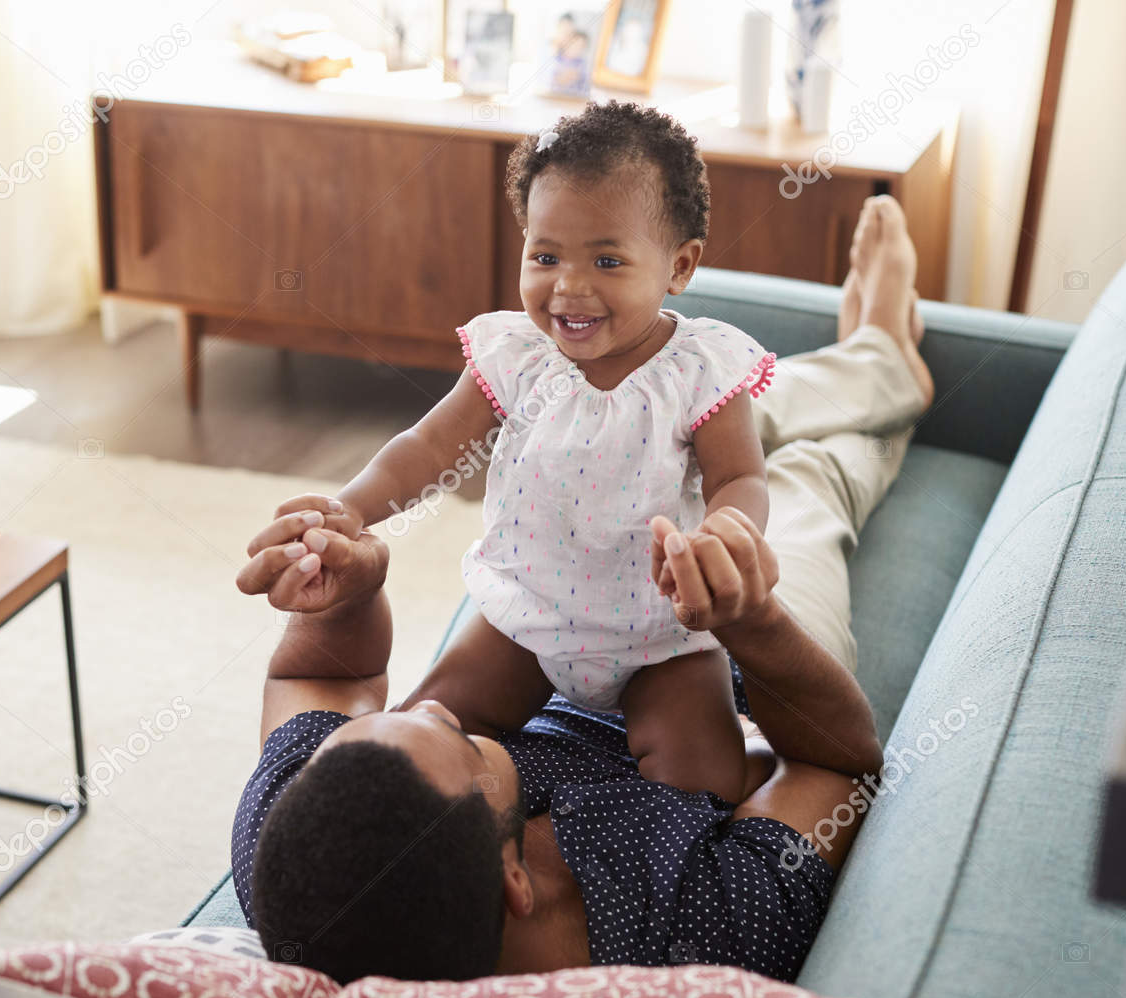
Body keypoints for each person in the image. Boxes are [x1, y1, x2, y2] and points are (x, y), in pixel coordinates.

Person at [233, 194, 933, 987]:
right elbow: (840, 768)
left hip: (567, 584)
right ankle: (885, 361)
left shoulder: (297, 842)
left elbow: (319, 678)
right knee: (810, 478)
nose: (426, 705)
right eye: (459, 741)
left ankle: (855, 367)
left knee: (701, 427)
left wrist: (350, 582)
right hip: (735, 643)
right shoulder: (699, 925)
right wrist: (747, 613)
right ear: (515, 879)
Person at [284, 101, 778, 804]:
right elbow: (426, 447)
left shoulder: (698, 368)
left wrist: (728, 528)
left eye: (607, 260)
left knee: (706, 784)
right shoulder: (517, 354)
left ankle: (741, 745)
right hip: (530, 617)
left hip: (660, 635)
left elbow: (741, 477)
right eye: (545, 256)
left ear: (680, 264)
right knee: (420, 738)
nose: (569, 286)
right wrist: (349, 509)